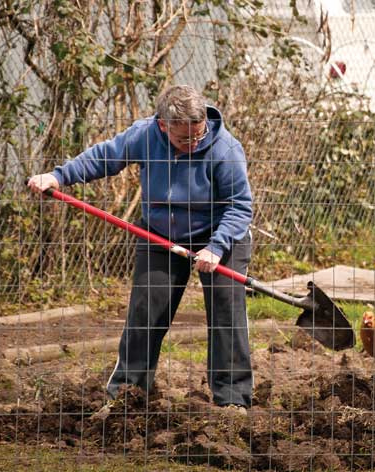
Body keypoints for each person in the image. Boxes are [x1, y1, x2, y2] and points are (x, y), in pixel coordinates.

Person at [27, 85, 254, 413]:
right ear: (164, 126)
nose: (193, 144)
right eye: (183, 140)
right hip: (161, 233)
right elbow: (105, 157)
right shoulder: (145, 135)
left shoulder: (226, 150)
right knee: (145, 312)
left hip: (221, 233)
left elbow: (239, 207)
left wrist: (216, 247)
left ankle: (233, 402)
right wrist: (58, 176)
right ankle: (127, 396)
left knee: (226, 312)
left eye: (197, 136)